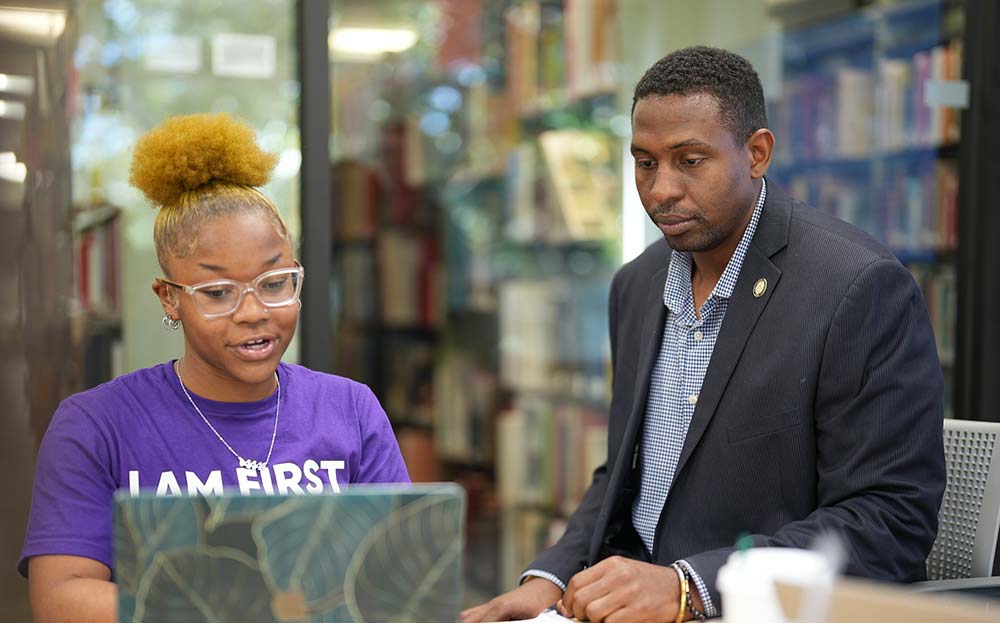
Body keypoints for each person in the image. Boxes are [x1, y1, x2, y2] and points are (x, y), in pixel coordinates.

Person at [462, 46, 945, 623]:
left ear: (757, 153)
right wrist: (552, 576)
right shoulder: (636, 287)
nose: (661, 190)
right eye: (644, 163)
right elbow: (621, 474)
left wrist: (690, 587)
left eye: (690, 161)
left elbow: (888, 522)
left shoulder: (858, 288)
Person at [19, 113, 410, 622]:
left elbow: (399, 575)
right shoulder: (97, 425)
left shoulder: (350, 409)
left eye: (274, 283)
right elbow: (61, 600)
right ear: (169, 298)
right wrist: (249, 607)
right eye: (218, 292)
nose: (253, 313)